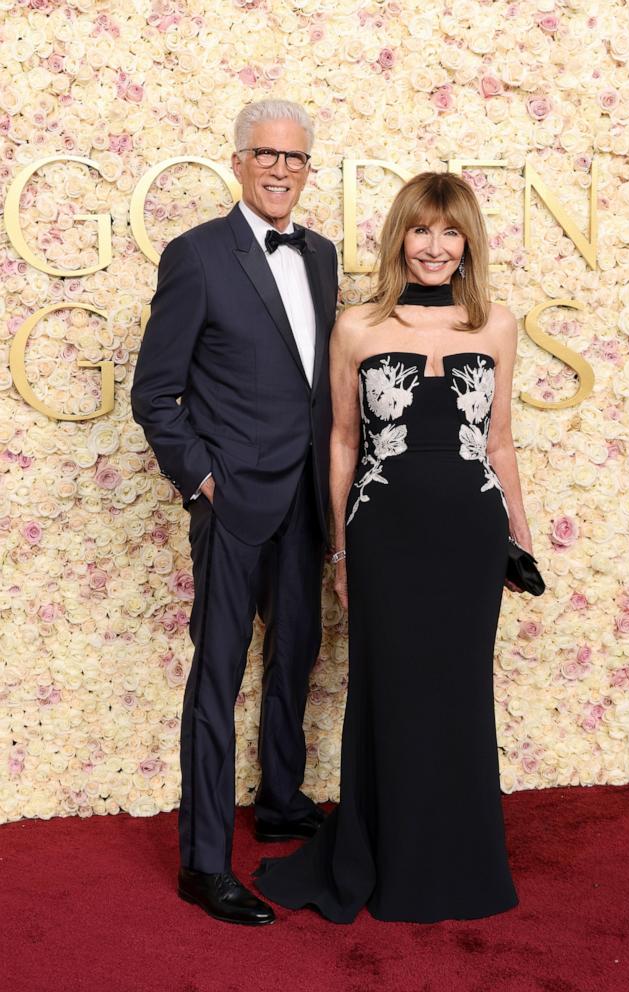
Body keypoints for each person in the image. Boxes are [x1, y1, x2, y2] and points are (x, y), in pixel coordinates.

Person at [254, 171, 532, 924]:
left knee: (460, 692)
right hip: (384, 535)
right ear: (399, 237)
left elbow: (498, 441)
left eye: (448, 232)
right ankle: (389, 853)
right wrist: (340, 549)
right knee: (390, 690)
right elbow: (343, 441)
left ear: (467, 240)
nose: (434, 247)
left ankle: (460, 858)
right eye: (420, 230)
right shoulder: (358, 327)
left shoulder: (497, 324)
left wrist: (520, 533)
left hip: (470, 536)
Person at [131, 100, 338, 926]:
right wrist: (202, 480)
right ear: (238, 160)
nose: (281, 169)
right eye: (266, 154)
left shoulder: (320, 255)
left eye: (294, 158)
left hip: (304, 499)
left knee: (298, 654)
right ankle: (203, 862)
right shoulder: (196, 255)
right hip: (233, 498)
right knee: (216, 676)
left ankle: (283, 802)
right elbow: (155, 392)